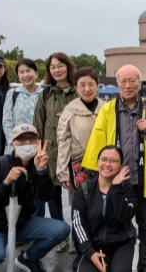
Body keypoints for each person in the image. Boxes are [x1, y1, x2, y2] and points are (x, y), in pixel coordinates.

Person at [81, 64, 146, 272]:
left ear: (140, 84)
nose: (128, 85)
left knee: (145, 224)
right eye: (123, 81)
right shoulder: (108, 109)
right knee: (112, 220)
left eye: (132, 81)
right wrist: (96, 175)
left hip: (141, 177)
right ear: (118, 85)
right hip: (115, 180)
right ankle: (109, 256)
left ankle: (145, 263)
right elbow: (98, 142)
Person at [0, 123, 70, 272]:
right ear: (12, 144)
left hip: (22, 224)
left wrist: (42, 172)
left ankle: (27, 259)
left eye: (31, 139)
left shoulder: (37, 164)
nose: (26, 143)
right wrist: (6, 183)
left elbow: (46, 196)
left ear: (37, 142)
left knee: (62, 229)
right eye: (21, 139)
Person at [57, 67, 105, 268]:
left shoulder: (106, 107)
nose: (87, 89)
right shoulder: (70, 110)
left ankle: (101, 248)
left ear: (97, 86)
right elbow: (63, 140)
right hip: (78, 167)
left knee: (102, 208)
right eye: (82, 85)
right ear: (76, 88)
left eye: (91, 84)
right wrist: (62, 171)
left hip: (104, 167)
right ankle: (81, 250)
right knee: (80, 210)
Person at [33, 52, 77, 252]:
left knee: (78, 195)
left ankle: (79, 236)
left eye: (60, 65)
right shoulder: (45, 94)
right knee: (53, 196)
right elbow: (38, 124)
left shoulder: (79, 89)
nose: (57, 70)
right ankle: (61, 236)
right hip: (52, 150)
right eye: (53, 67)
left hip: (76, 150)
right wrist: (39, 151)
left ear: (68, 66)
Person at [73, 146, 137, 272]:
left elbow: (123, 216)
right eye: (104, 159)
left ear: (121, 165)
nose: (107, 164)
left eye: (114, 161)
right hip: (94, 245)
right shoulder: (85, 189)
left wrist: (117, 188)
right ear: (97, 162)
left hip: (123, 244)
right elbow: (78, 224)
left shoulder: (126, 188)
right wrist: (89, 252)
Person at [3, 58, 43, 155]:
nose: (25, 75)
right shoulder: (13, 93)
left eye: (28, 71)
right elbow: (7, 121)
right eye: (21, 72)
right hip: (16, 148)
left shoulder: (44, 94)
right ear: (18, 76)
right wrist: (12, 143)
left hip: (38, 148)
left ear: (36, 74)